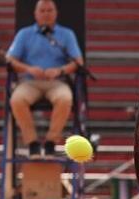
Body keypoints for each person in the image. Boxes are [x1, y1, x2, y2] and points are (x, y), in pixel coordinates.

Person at [6, 0, 84, 157]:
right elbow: (10, 60)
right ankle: (32, 143)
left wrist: (60, 70)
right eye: (42, 10)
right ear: (35, 14)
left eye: (50, 10)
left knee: (65, 98)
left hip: (57, 83)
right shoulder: (24, 34)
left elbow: (78, 62)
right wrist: (29, 69)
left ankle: (50, 142)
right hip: (29, 82)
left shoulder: (67, 34)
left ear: (56, 13)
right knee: (16, 100)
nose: (46, 14)